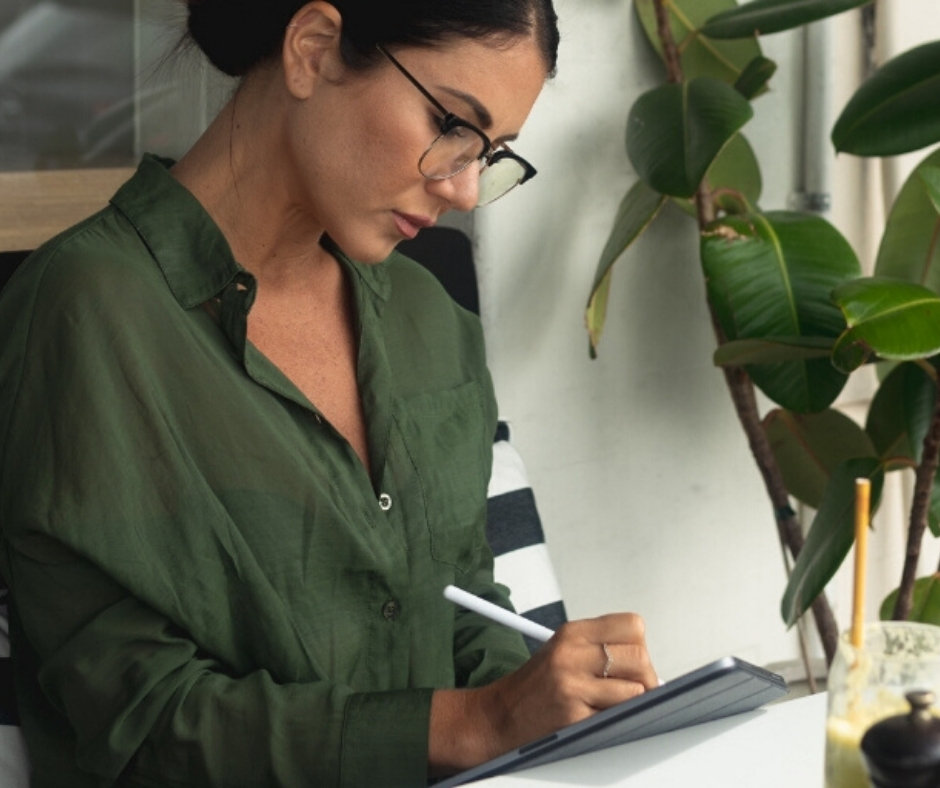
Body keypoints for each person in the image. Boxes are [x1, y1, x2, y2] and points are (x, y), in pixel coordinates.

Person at [0, 1, 658, 785]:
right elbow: (137, 725)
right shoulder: (84, 314)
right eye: (452, 124)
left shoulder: (427, 319)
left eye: (492, 153)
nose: (466, 191)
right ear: (313, 50)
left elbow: (463, 605)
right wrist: (482, 721)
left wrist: (559, 706)